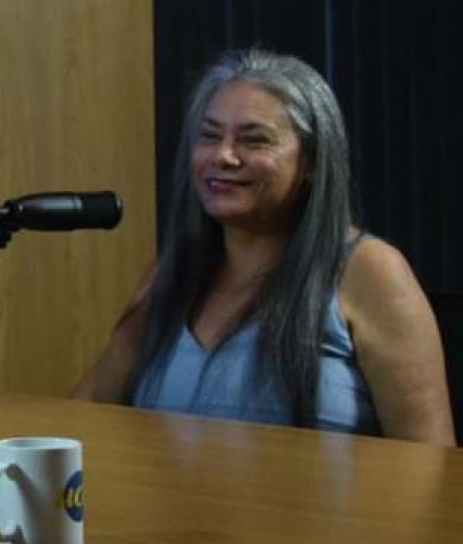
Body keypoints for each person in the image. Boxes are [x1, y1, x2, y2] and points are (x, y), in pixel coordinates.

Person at [74, 48, 453, 444]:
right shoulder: (171, 273)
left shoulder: (369, 269)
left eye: (254, 140)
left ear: (310, 162)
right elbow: (83, 416)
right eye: (209, 136)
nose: (223, 155)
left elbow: (431, 468)